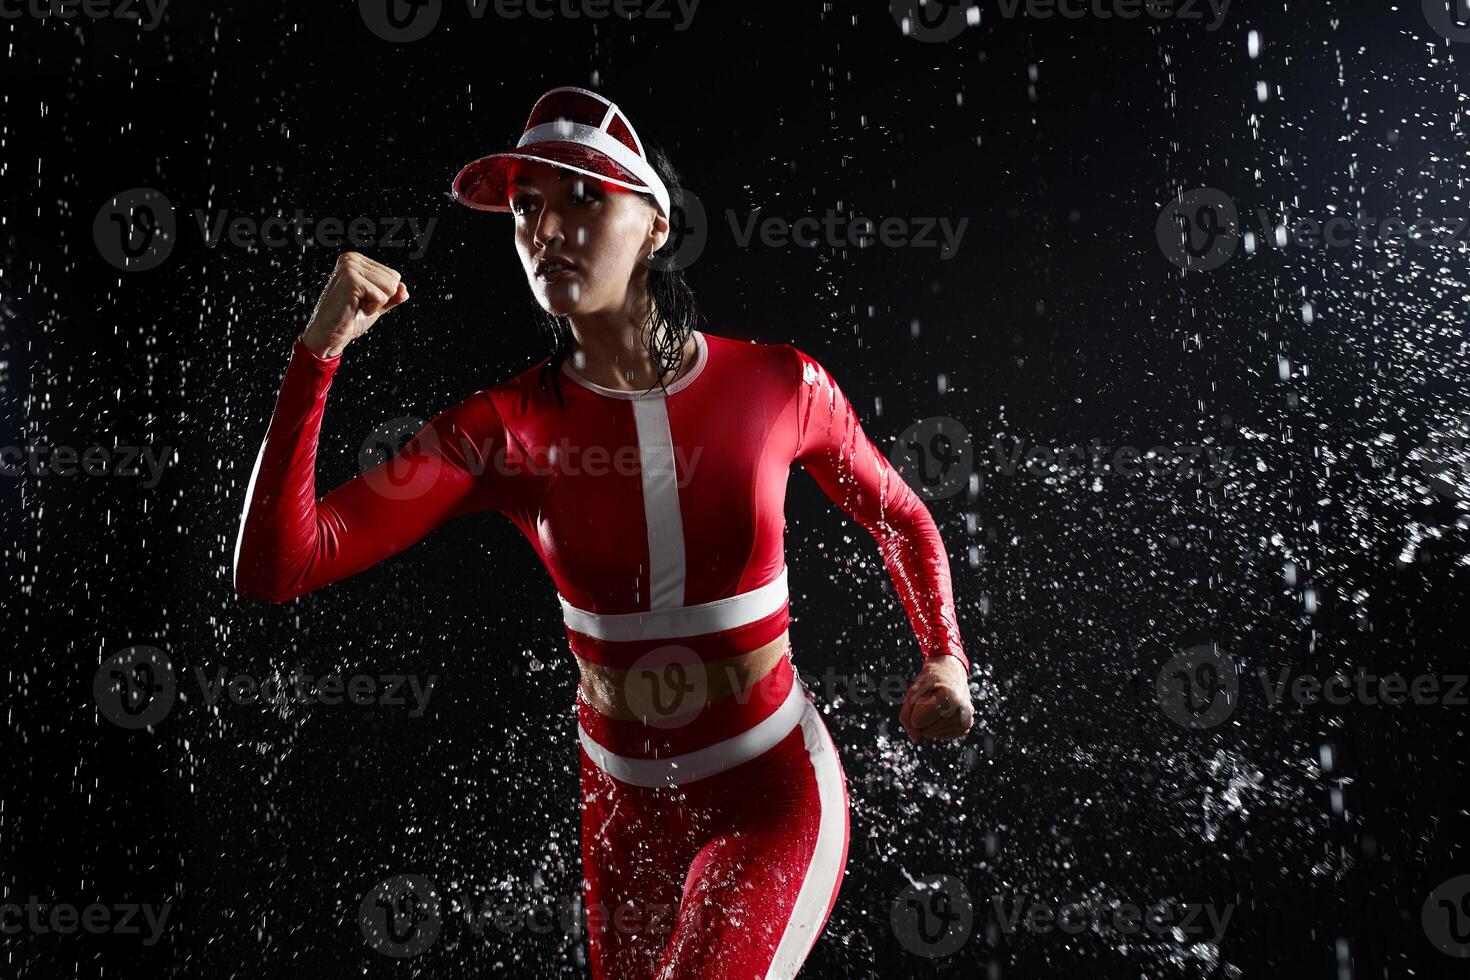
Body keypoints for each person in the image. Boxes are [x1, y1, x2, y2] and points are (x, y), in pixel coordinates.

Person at [233, 85, 975, 979]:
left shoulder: (780, 385)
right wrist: (317, 355)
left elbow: (898, 514)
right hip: (623, 822)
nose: (547, 228)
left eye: (584, 196)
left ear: (656, 225)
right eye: (526, 207)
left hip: (770, 795)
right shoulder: (500, 430)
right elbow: (281, 566)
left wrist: (944, 658)